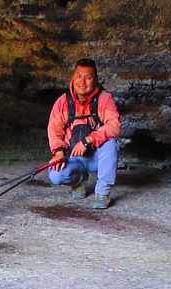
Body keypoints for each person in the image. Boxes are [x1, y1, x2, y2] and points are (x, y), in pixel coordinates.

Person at [47, 58, 121, 209]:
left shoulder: (105, 99)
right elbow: (54, 132)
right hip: (74, 157)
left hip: (96, 158)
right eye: (79, 76)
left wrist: (89, 140)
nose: (83, 82)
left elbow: (114, 126)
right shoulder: (62, 102)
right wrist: (59, 152)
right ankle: (79, 181)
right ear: (73, 77)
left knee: (111, 142)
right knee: (55, 175)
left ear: (95, 79)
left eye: (88, 77)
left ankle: (102, 192)